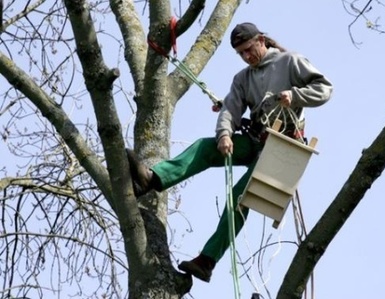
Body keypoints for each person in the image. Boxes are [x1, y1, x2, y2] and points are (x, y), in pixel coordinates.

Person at [126, 22, 333, 283]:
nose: (247, 57)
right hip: (256, 140)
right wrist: (224, 134)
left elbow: (325, 88)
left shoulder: (289, 62)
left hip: (283, 147)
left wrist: (296, 95)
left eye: (249, 49)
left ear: (261, 41)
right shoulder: (243, 79)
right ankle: (153, 179)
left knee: (240, 196)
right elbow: (230, 110)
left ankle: (207, 261)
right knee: (205, 147)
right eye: (241, 54)